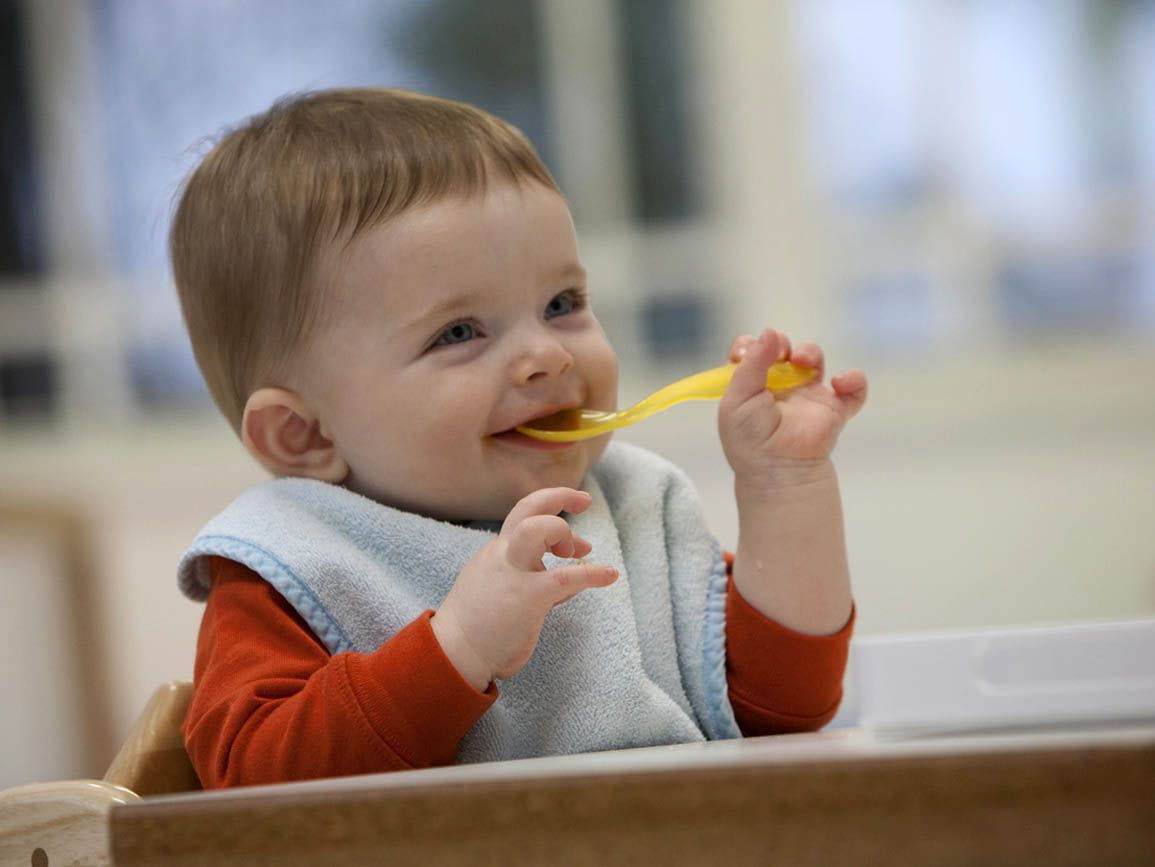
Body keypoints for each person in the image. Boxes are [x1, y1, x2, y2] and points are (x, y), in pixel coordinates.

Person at [172, 88, 867, 789]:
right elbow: (253, 788)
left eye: (561, 304)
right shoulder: (294, 564)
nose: (549, 354)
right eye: (458, 332)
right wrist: (456, 647)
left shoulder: (628, 506)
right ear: (303, 434)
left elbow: (781, 710)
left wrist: (785, 485)